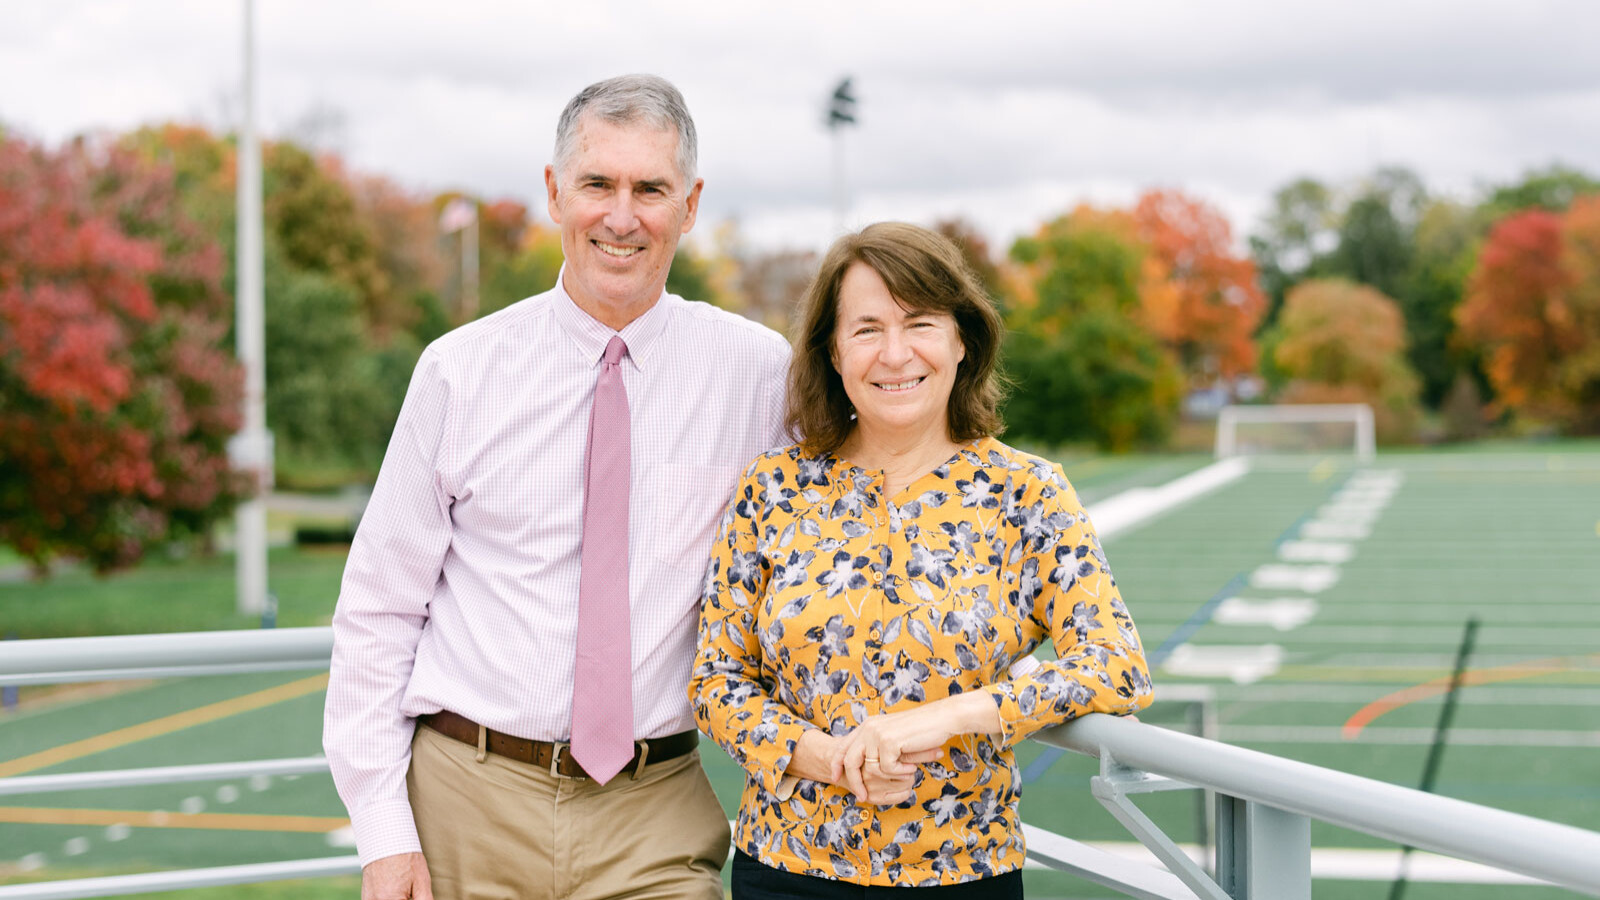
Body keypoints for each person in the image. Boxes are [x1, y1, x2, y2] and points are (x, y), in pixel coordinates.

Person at [324, 74, 791, 900]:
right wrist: (384, 836)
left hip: (654, 810)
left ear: (689, 206)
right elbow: (378, 608)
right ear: (553, 193)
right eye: (597, 185)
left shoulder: (757, 374)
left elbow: (855, 517)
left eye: (650, 188)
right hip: (467, 800)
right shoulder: (458, 372)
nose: (622, 216)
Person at [689, 222, 1153, 895]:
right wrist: (832, 760)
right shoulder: (775, 487)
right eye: (867, 328)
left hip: (965, 872)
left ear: (963, 339)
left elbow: (1115, 665)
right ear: (833, 351)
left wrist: (950, 716)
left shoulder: (1026, 494)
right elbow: (717, 682)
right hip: (787, 872)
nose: (895, 354)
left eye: (920, 324)